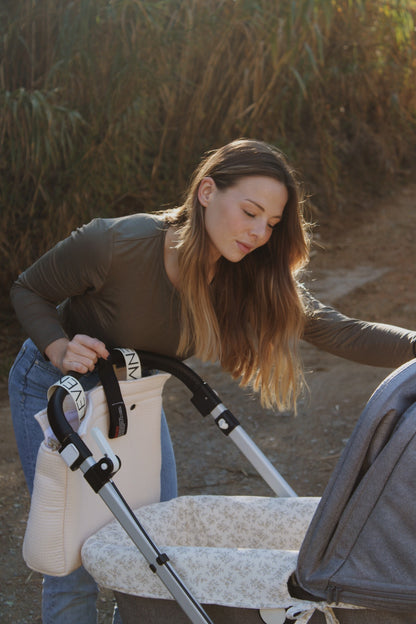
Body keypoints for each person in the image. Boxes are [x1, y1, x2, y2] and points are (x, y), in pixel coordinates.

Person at [8, 138, 416, 624]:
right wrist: (59, 345)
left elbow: (340, 330)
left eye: (271, 223)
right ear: (206, 192)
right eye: (250, 211)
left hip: (132, 397)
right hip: (56, 391)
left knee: (150, 550)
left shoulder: (242, 275)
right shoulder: (115, 244)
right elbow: (29, 288)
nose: (260, 232)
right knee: (72, 557)